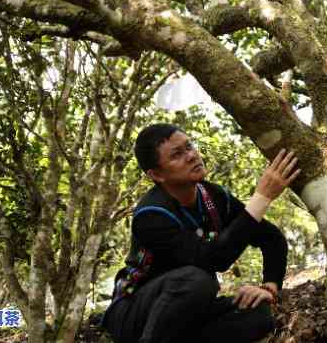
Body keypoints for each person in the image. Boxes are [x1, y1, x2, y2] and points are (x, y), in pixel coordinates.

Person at [102, 123, 300, 343]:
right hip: (134, 313)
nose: (191, 156)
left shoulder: (213, 196)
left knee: (258, 314)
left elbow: (271, 238)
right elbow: (214, 259)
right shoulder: (151, 215)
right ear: (157, 174)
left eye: (189, 146)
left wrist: (269, 288)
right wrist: (261, 198)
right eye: (177, 154)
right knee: (197, 280)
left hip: (187, 311)